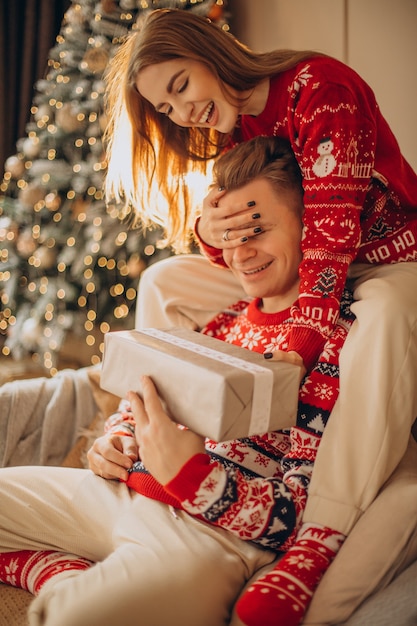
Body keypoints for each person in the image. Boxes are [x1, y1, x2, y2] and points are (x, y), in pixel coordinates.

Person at [103, 7, 417, 616]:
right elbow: (259, 234)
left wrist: (293, 353)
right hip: (310, 261)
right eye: (166, 108)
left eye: (180, 85)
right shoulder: (237, 126)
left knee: (385, 314)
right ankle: (148, 429)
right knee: (168, 280)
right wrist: (207, 230)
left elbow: (327, 237)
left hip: (384, 259)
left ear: (210, 51)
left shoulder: (319, 90)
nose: (182, 110)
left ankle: (319, 533)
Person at [0, 137, 354, 626]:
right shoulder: (224, 320)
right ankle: (56, 571)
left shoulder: (335, 345)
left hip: (208, 535)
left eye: (256, 229)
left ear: (306, 224)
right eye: (227, 236)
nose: (241, 251)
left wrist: (192, 473)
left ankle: (71, 585)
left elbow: (297, 513)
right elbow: (141, 403)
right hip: (123, 491)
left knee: (72, 619)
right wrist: (117, 440)